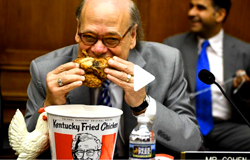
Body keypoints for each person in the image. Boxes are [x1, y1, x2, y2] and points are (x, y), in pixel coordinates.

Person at [24, 0, 202, 158]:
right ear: (77, 30)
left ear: (132, 36)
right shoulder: (45, 70)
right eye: (89, 37)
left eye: (111, 39)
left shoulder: (167, 63)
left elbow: (191, 142)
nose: (98, 49)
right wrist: (50, 106)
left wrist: (143, 104)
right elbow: (23, 148)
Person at [163, 0, 250, 151]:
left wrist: (245, 88)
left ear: (220, 14)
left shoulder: (244, 52)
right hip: (185, 126)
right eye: (191, 6)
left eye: (200, 8)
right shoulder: (172, 46)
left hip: (227, 128)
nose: (191, 13)